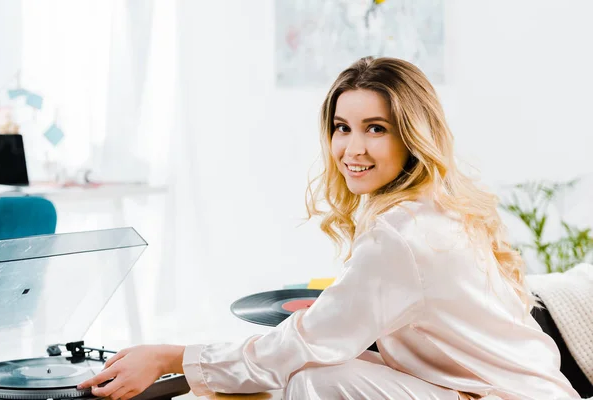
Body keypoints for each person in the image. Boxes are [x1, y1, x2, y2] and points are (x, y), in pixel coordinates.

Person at [78, 57, 580, 400]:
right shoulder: (440, 207)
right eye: (343, 127)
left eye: (376, 128)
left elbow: (303, 343)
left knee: (314, 378)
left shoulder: (402, 233)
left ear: (412, 136)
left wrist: (170, 356)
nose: (352, 148)